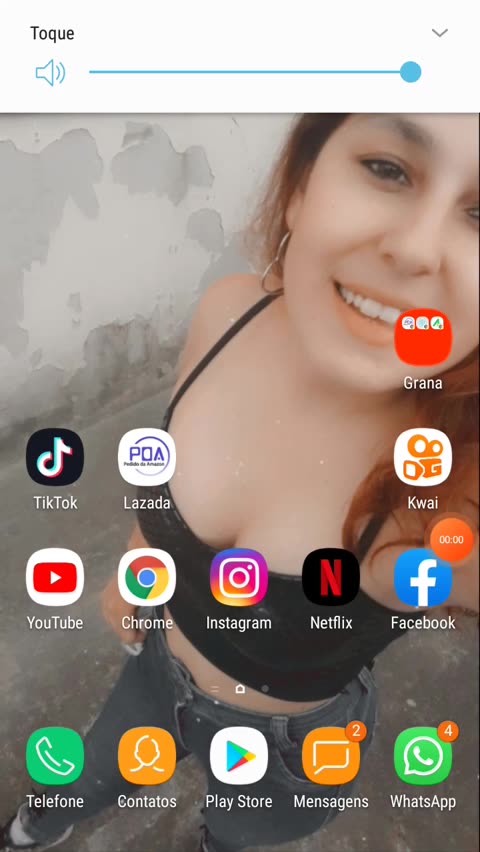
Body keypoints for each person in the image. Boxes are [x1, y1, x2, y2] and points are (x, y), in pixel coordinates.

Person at [2, 113, 478, 852]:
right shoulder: (228, 310)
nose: (414, 248)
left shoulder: (455, 493)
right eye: (388, 169)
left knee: (230, 839)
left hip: (291, 753)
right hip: (154, 668)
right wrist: (137, 563)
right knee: (75, 783)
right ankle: (33, 830)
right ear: (302, 184)